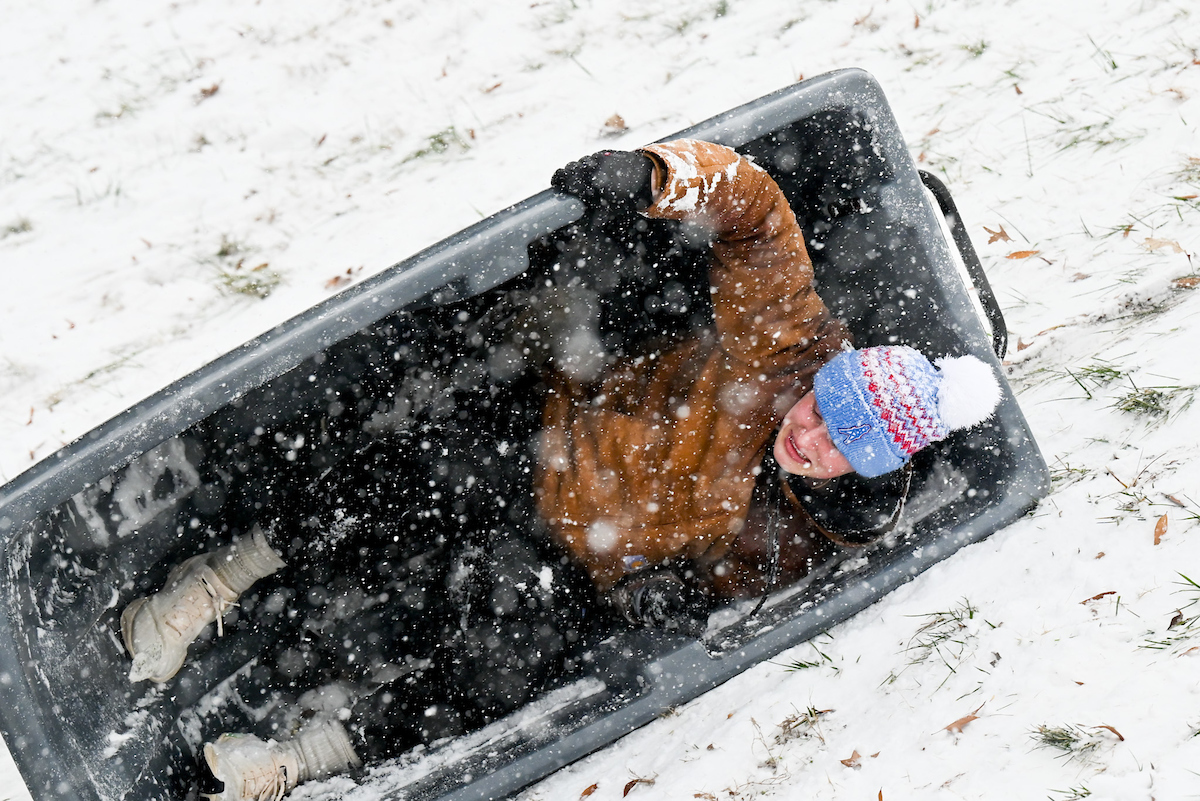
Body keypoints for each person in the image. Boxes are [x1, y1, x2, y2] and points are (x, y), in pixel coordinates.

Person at [119, 139, 1001, 801]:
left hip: (586, 568)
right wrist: (656, 177)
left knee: (505, 672)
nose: (808, 434)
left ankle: (295, 762)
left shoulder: (819, 533)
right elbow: (755, 205)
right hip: (556, 435)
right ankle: (215, 582)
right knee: (409, 477)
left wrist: (669, 591)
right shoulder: (789, 346)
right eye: (820, 406)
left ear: (867, 466)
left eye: (839, 443)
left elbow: (736, 589)